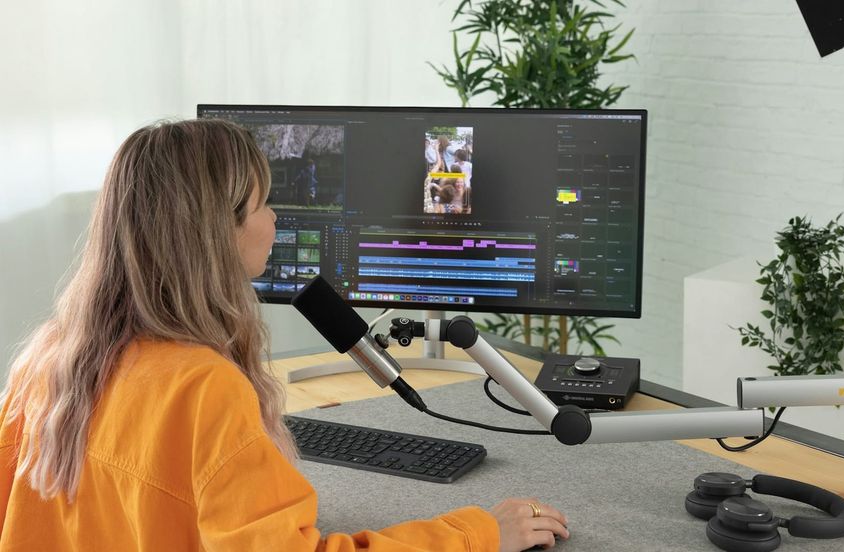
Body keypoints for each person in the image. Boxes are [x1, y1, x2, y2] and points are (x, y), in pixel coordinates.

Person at [0, 119, 568, 551]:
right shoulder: (203, 390)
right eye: (260, 204)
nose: (274, 221)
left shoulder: (48, 358)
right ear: (213, 233)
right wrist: (478, 533)